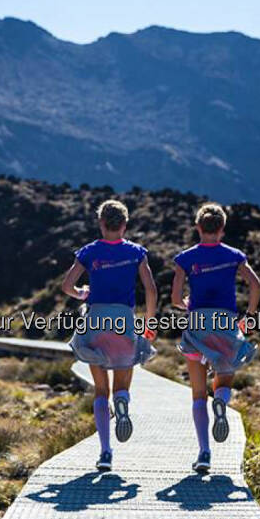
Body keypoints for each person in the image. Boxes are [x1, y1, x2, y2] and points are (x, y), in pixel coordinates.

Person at [62, 199, 157, 472]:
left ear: (101, 223)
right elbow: (150, 290)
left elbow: (67, 285)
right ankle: (123, 402)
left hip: (95, 320)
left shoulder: (89, 251)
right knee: (122, 385)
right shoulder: (137, 252)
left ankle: (105, 453)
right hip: (124, 320)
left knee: (100, 391)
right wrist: (149, 322)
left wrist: (82, 293)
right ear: (124, 225)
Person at [171, 202, 260, 473]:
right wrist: (249, 315)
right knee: (224, 375)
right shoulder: (234, 255)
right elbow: (255, 285)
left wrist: (186, 304)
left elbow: (175, 298)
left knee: (198, 394)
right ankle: (221, 400)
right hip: (226, 322)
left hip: (197, 323)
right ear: (222, 229)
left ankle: (204, 453)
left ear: (198, 227)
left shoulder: (185, 258)